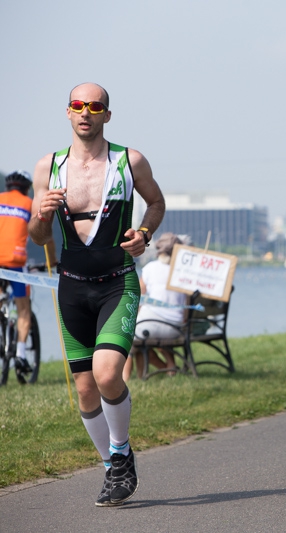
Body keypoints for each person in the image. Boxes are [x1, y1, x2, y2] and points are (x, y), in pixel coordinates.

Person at [28, 83, 165, 506]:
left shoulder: (129, 160)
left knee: (108, 375)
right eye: (77, 105)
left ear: (107, 114)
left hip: (117, 281)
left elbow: (156, 204)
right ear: (67, 113)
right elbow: (37, 235)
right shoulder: (47, 167)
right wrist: (41, 215)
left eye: (95, 106)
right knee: (86, 389)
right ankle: (113, 469)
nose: (85, 112)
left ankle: (121, 454)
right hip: (71, 286)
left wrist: (143, 234)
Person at [124, 233, 187, 381]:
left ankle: (126, 378)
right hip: (175, 327)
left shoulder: (150, 268)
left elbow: (136, 297)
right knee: (141, 335)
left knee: (128, 336)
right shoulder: (183, 271)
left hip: (150, 326)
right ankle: (167, 368)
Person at [0, 170, 36, 381]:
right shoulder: (28, 203)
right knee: (24, 310)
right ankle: (21, 354)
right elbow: (41, 233)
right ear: (26, 187)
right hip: (15, 261)